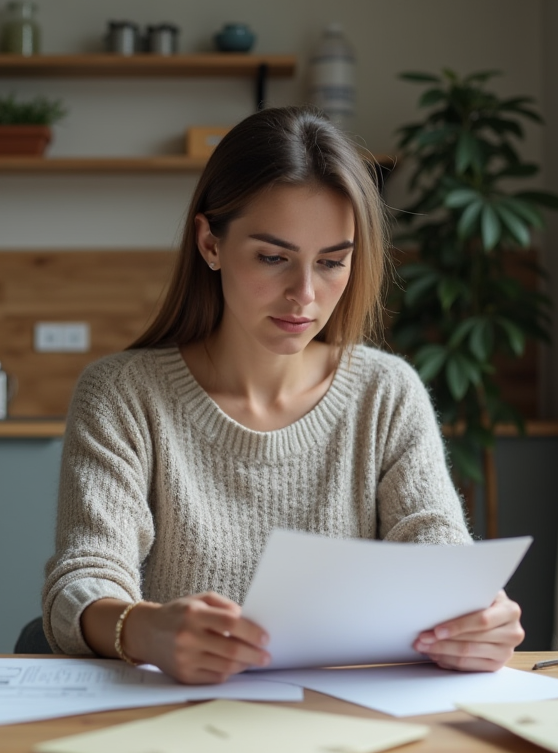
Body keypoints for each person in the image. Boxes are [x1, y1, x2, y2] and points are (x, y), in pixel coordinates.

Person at [42, 106, 524, 684]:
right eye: (273, 258)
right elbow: (84, 577)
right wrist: (144, 628)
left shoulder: (386, 393)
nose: (304, 295)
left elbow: (438, 550)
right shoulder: (122, 395)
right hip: (175, 725)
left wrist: (479, 617)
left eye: (332, 262)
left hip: (347, 731)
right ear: (210, 243)